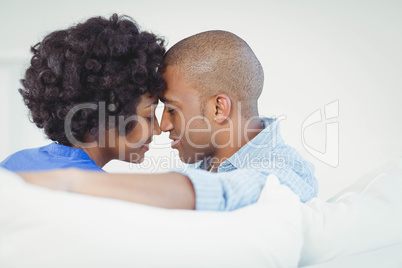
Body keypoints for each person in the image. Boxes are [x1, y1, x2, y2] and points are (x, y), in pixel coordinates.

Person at [19, 30, 318, 211]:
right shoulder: (197, 167)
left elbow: (239, 192)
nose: (163, 126)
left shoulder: (285, 171)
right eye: (153, 112)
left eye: (171, 109)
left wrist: (72, 183)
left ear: (218, 109)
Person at [0, 14, 165, 172]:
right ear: (103, 114)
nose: (158, 130)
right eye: (149, 117)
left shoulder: (12, 164)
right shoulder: (100, 191)